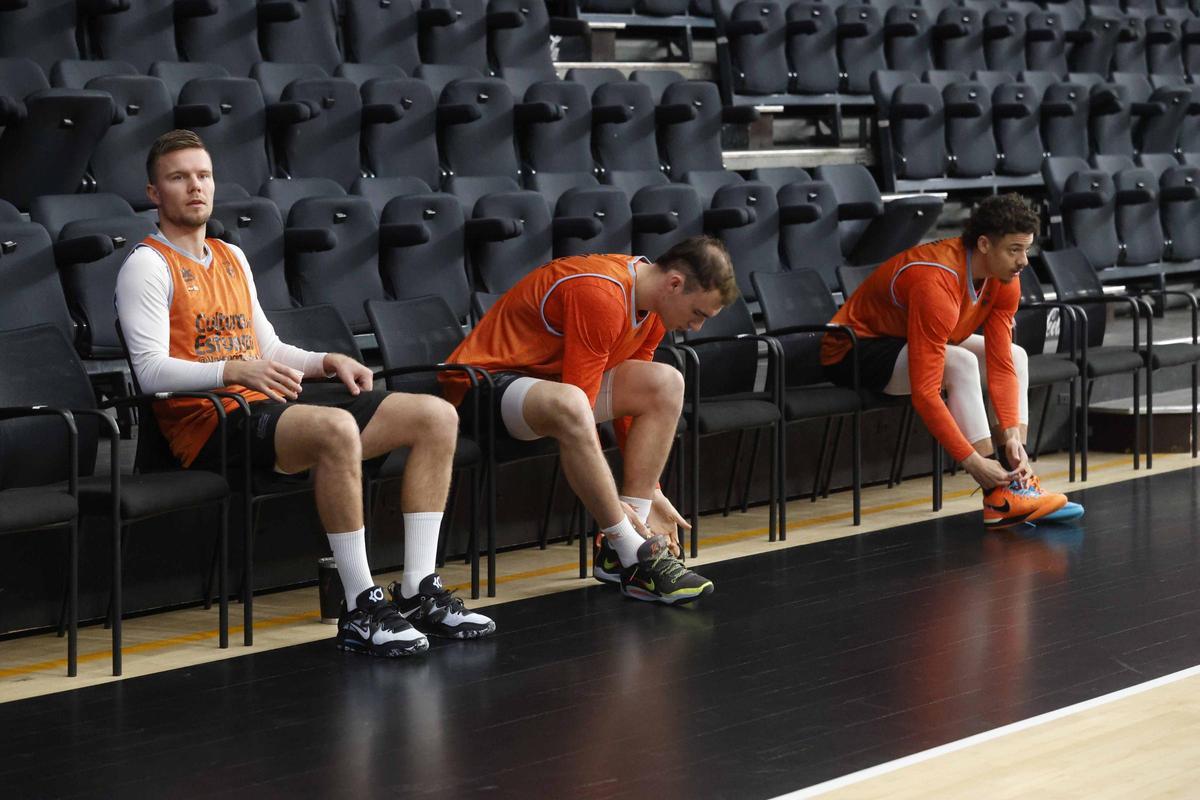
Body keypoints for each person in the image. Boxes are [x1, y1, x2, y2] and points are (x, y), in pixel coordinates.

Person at [115, 130, 495, 658]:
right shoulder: (147, 265)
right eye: (178, 178)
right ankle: (361, 608)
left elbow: (268, 347)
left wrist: (324, 362)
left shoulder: (230, 255)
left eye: (203, 175)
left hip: (264, 410)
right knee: (335, 427)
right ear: (155, 193)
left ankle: (418, 591)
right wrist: (233, 370)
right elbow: (151, 373)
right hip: (205, 425)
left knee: (435, 416)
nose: (195, 187)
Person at [441, 237, 739, 604]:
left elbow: (628, 409)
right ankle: (632, 551)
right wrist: (611, 503)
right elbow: (579, 404)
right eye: (697, 313)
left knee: (665, 383)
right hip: (481, 389)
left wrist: (651, 492)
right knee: (573, 404)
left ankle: (620, 557)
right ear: (674, 284)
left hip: (547, 391)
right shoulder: (601, 294)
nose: (696, 326)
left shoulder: (654, 309)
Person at [820, 193, 1082, 526]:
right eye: (1014, 250)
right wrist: (972, 461)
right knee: (960, 363)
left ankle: (1017, 479)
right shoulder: (936, 282)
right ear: (984, 245)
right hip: (854, 349)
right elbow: (925, 393)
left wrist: (1012, 435)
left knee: (1017, 356)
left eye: (1026, 250)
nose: (1023, 262)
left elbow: (1001, 362)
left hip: (908, 337)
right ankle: (998, 496)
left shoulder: (1004, 279)